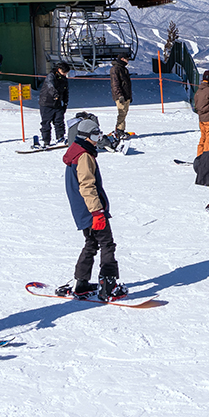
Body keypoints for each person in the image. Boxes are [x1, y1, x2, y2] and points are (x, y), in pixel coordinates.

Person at [57, 116, 125, 301]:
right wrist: (97, 212)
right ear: (87, 136)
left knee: (91, 243)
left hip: (82, 210)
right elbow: (87, 185)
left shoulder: (76, 150)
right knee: (106, 243)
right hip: (90, 210)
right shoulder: (84, 156)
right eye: (96, 134)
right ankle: (108, 285)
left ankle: (81, 283)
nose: (98, 137)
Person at [36, 62, 70, 148]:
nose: (65, 74)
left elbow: (66, 91)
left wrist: (65, 102)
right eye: (64, 72)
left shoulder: (64, 79)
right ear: (59, 70)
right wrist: (55, 94)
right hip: (46, 103)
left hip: (57, 103)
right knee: (46, 123)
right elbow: (50, 86)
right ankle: (46, 141)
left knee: (59, 121)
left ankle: (60, 138)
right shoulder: (51, 76)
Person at [110, 53, 132, 136]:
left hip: (126, 95)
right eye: (127, 59)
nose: (128, 61)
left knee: (124, 113)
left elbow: (127, 84)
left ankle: (121, 130)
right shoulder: (115, 69)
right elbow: (115, 84)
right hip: (120, 96)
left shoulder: (124, 69)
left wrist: (129, 96)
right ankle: (119, 131)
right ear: (122, 59)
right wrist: (120, 95)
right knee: (122, 113)